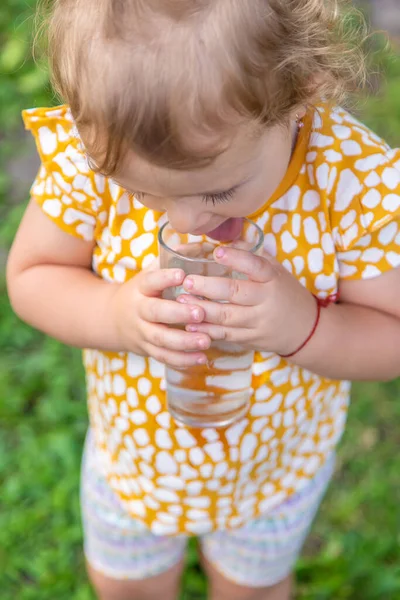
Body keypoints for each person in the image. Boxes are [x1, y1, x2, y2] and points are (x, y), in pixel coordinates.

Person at [6, 1, 400, 599]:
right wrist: (113, 315)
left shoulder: (348, 181)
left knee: (255, 588)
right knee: (126, 584)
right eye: (139, 192)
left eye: (217, 190)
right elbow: (33, 274)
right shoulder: (99, 151)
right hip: (136, 461)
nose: (184, 222)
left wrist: (304, 328)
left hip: (274, 471)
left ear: (298, 95)